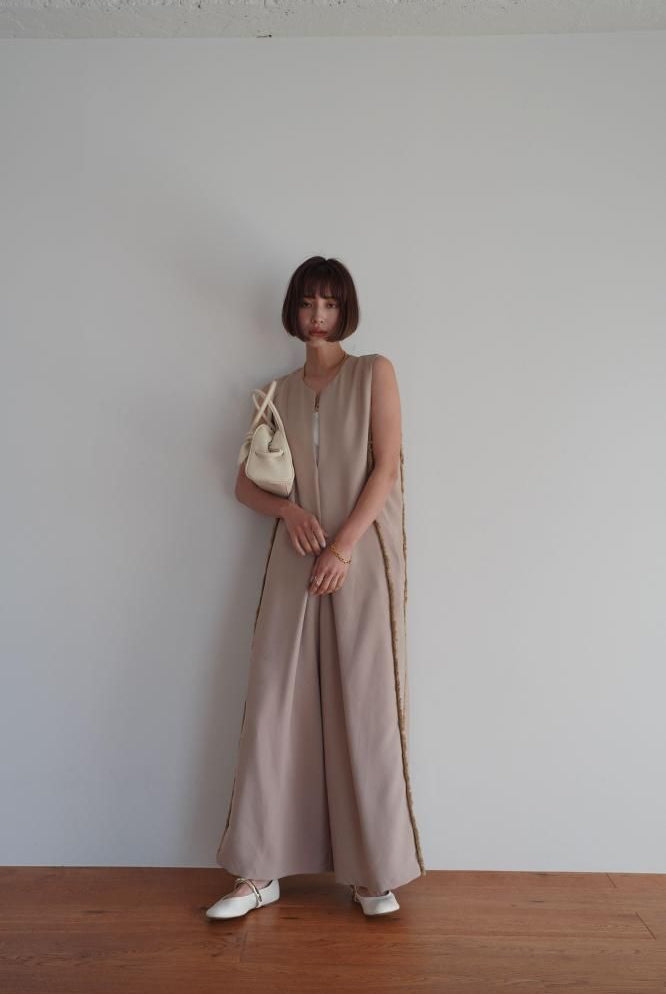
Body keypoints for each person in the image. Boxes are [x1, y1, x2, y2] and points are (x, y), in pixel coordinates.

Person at [206, 256, 425, 920]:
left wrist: (344, 545)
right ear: (293, 310)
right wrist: (290, 513)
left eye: (329, 304)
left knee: (365, 704)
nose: (317, 317)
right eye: (307, 304)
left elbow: (386, 468)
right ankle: (259, 870)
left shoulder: (374, 372)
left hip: (361, 558)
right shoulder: (275, 393)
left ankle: (372, 871)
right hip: (295, 559)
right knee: (277, 701)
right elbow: (244, 485)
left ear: (345, 309)